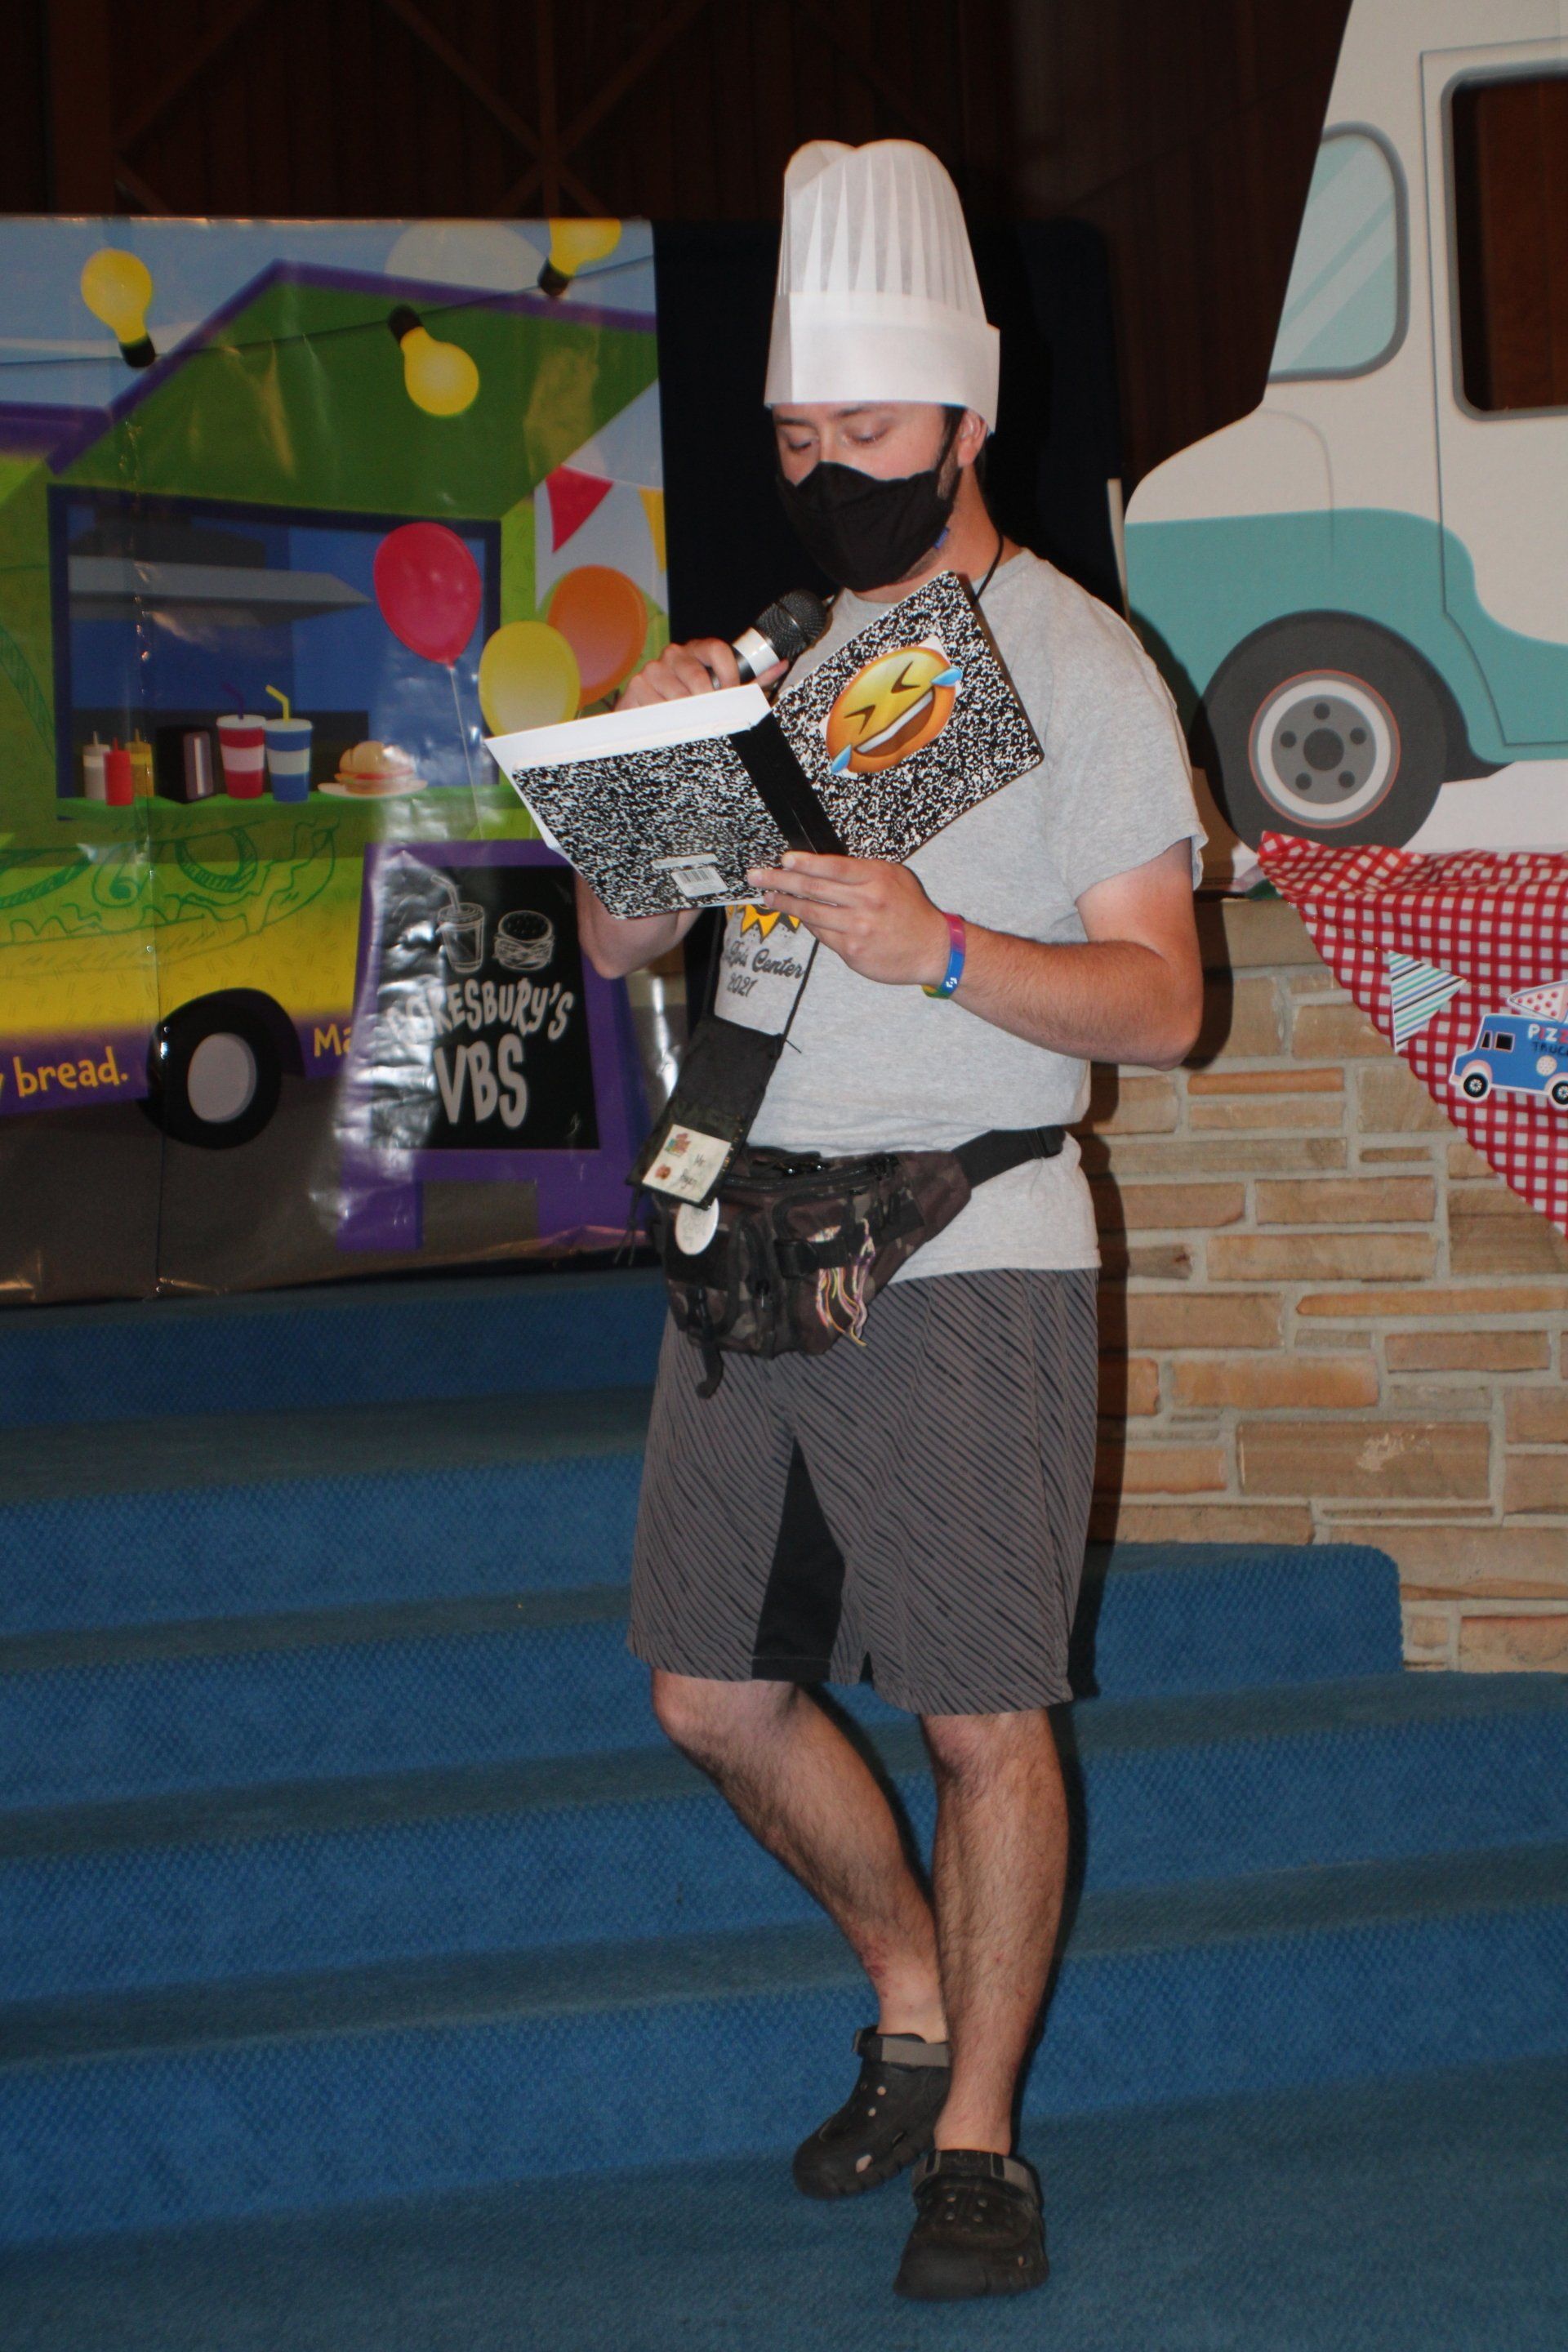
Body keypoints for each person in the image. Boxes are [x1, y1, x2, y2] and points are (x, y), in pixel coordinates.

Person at [576, 137, 1205, 2303]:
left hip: (971, 1239)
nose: (829, 467)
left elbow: (1169, 1000)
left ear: (968, 411)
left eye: (866, 430)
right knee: (708, 1695)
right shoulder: (770, 658)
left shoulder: (1080, 664)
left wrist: (940, 946)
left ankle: (980, 2139)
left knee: (976, 1715)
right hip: (747, 1231)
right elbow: (621, 940)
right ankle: (910, 1982)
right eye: (797, 436)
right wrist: (646, 775)